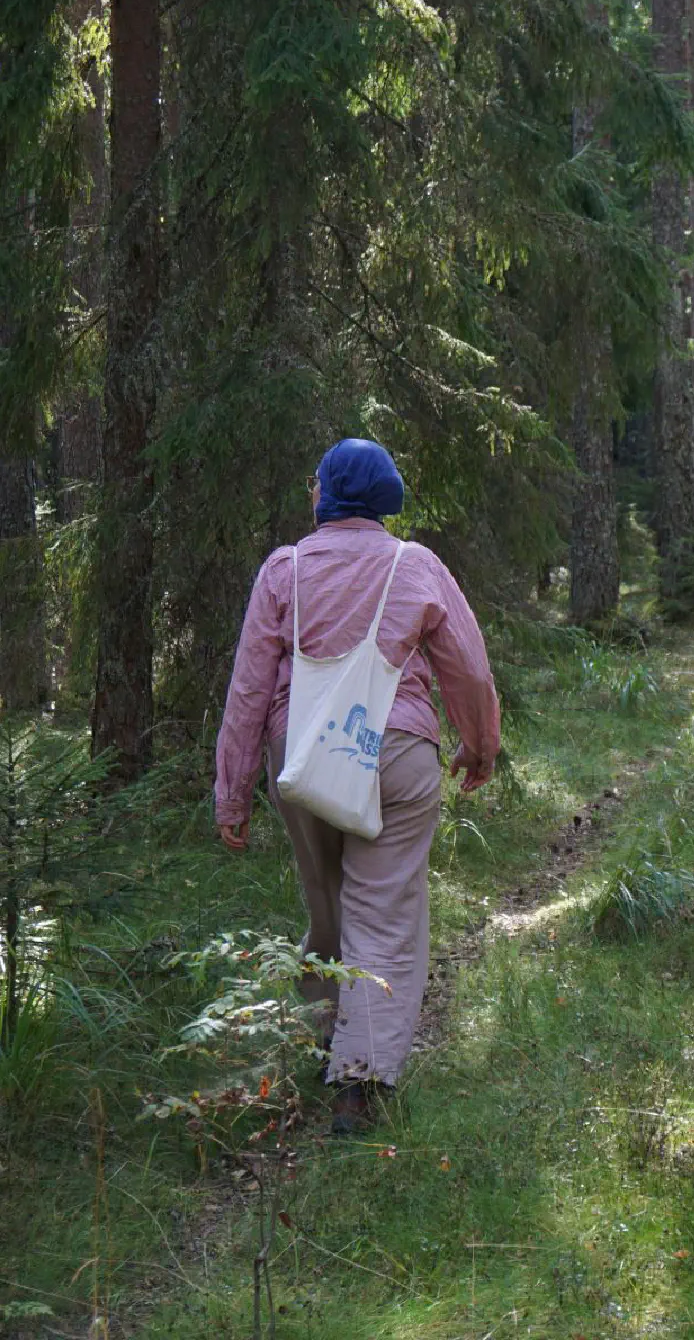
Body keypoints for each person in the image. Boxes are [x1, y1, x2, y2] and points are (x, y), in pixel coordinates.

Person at [213, 438, 501, 1134]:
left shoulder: (284, 570)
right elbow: (468, 668)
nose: (310, 490)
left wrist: (233, 789)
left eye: (315, 482)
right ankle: (358, 1082)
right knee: (384, 918)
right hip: (396, 754)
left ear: (327, 494)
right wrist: (478, 744)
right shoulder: (416, 566)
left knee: (329, 905)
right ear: (388, 499)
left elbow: (250, 687)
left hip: (303, 757)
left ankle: (320, 1037)